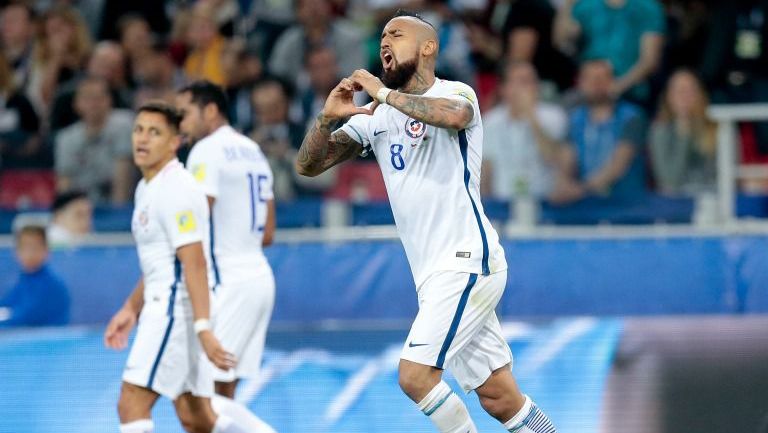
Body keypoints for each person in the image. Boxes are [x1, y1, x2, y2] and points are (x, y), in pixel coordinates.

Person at [295, 11, 556, 433]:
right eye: (381, 36)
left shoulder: (456, 93)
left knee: (415, 376)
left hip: (467, 258)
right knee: (499, 396)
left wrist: (380, 94)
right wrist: (328, 119)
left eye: (396, 34)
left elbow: (452, 117)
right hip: (433, 273)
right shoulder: (377, 118)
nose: (385, 42)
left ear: (428, 47)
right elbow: (309, 166)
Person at [103, 101, 249, 433]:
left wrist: (203, 328)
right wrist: (130, 307)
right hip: (168, 307)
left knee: (131, 403)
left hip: (174, 312)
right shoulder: (147, 187)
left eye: (155, 133)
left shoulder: (176, 189)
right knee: (196, 417)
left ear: (174, 142)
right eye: (138, 130)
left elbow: (194, 263)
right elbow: (162, 262)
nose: (142, 139)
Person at [176, 81, 277, 433]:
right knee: (222, 395)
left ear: (211, 110)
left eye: (185, 113)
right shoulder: (253, 150)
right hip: (259, 278)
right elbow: (268, 232)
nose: (180, 123)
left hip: (228, 281)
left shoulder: (205, 150)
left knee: (195, 399)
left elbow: (196, 219)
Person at [552, 60, 647, 205]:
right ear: (580, 83)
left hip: (626, 207)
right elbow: (567, 160)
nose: (596, 84)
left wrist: (581, 189)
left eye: (602, 78)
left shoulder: (631, 117)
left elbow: (618, 165)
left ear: (613, 82)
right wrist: (563, 183)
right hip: (586, 206)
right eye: (590, 78)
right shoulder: (575, 119)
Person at [482, 62, 567, 200]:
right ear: (504, 89)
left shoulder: (554, 116)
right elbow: (486, 168)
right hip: (502, 204)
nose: (527, 87)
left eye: (531, 81)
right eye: (521, 81)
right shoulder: (490, 121)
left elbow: (552, 158)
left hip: (543, 203)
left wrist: (531, 116)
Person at [54, 76, 135, 205]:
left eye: (99, 98)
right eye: (87, 98)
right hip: (83, 205)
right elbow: (64, 183)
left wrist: (117, 216)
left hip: (119, 207)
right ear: (76, 104)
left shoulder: (124, 124)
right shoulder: (66, 138)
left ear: (109, 100)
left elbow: (123, 176)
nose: (93, 103)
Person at [649, 69, 717, 195]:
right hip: (676, 204)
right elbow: (669, 182)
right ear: (668, 96)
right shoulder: (660, 130)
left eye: (690, 91)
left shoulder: (717, 128)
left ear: (700, 95)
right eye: (679, 91)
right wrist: (683, 135)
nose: (684, 96)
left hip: (711, 200)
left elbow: (724, 177)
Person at [0, 225, 70, 328]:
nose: (29, 253)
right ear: (16, 252)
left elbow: (24, 318)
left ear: (46, 251)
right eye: (24, 248)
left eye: (35, 248)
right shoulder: (25, 279)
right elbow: (8, 304)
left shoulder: (51, 286)